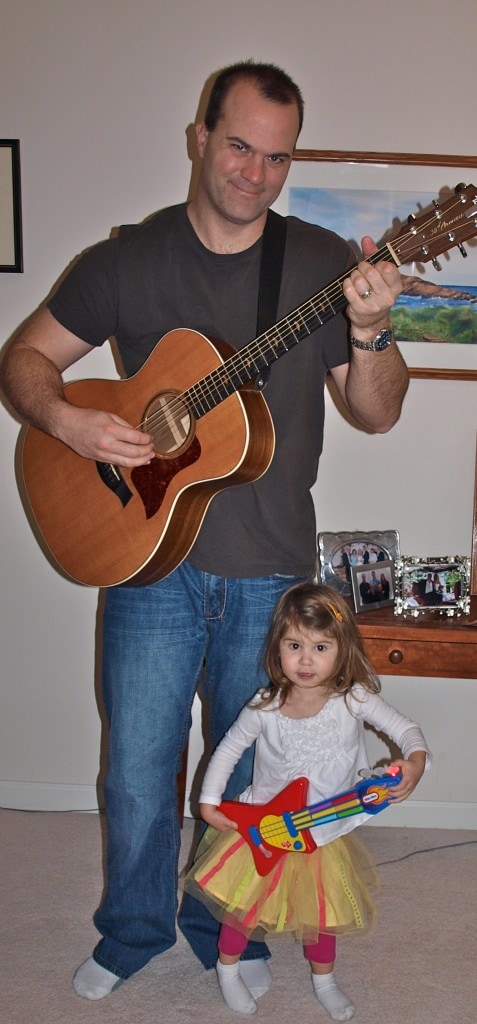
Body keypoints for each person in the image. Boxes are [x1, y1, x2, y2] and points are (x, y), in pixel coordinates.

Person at [0, 60, 408, 1000]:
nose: (255, 173)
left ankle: (225, 925)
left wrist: (375, 331)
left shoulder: (320, 264)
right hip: (144, 559)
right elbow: (23, 360)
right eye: (238, 147)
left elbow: (376, 412)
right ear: (199, 137)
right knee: (137, 771)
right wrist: (68, 421)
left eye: (277, 157)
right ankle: (133, 929)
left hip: (269, 571)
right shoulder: (124, 260)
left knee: (255, 776)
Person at [184, 582, 432, 1019]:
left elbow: (408, 731)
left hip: (322, 834)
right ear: (276, 647)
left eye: (320, 647)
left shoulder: (353, 699)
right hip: (264, 830)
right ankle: (228, 970)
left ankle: (325, 981)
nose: (305, 660)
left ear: (342, 649)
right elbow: (228, 749)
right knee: (242, 909)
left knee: (322, 914)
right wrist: (209, 801)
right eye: (294, 645)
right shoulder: (264, 706)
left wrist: (414, 763)